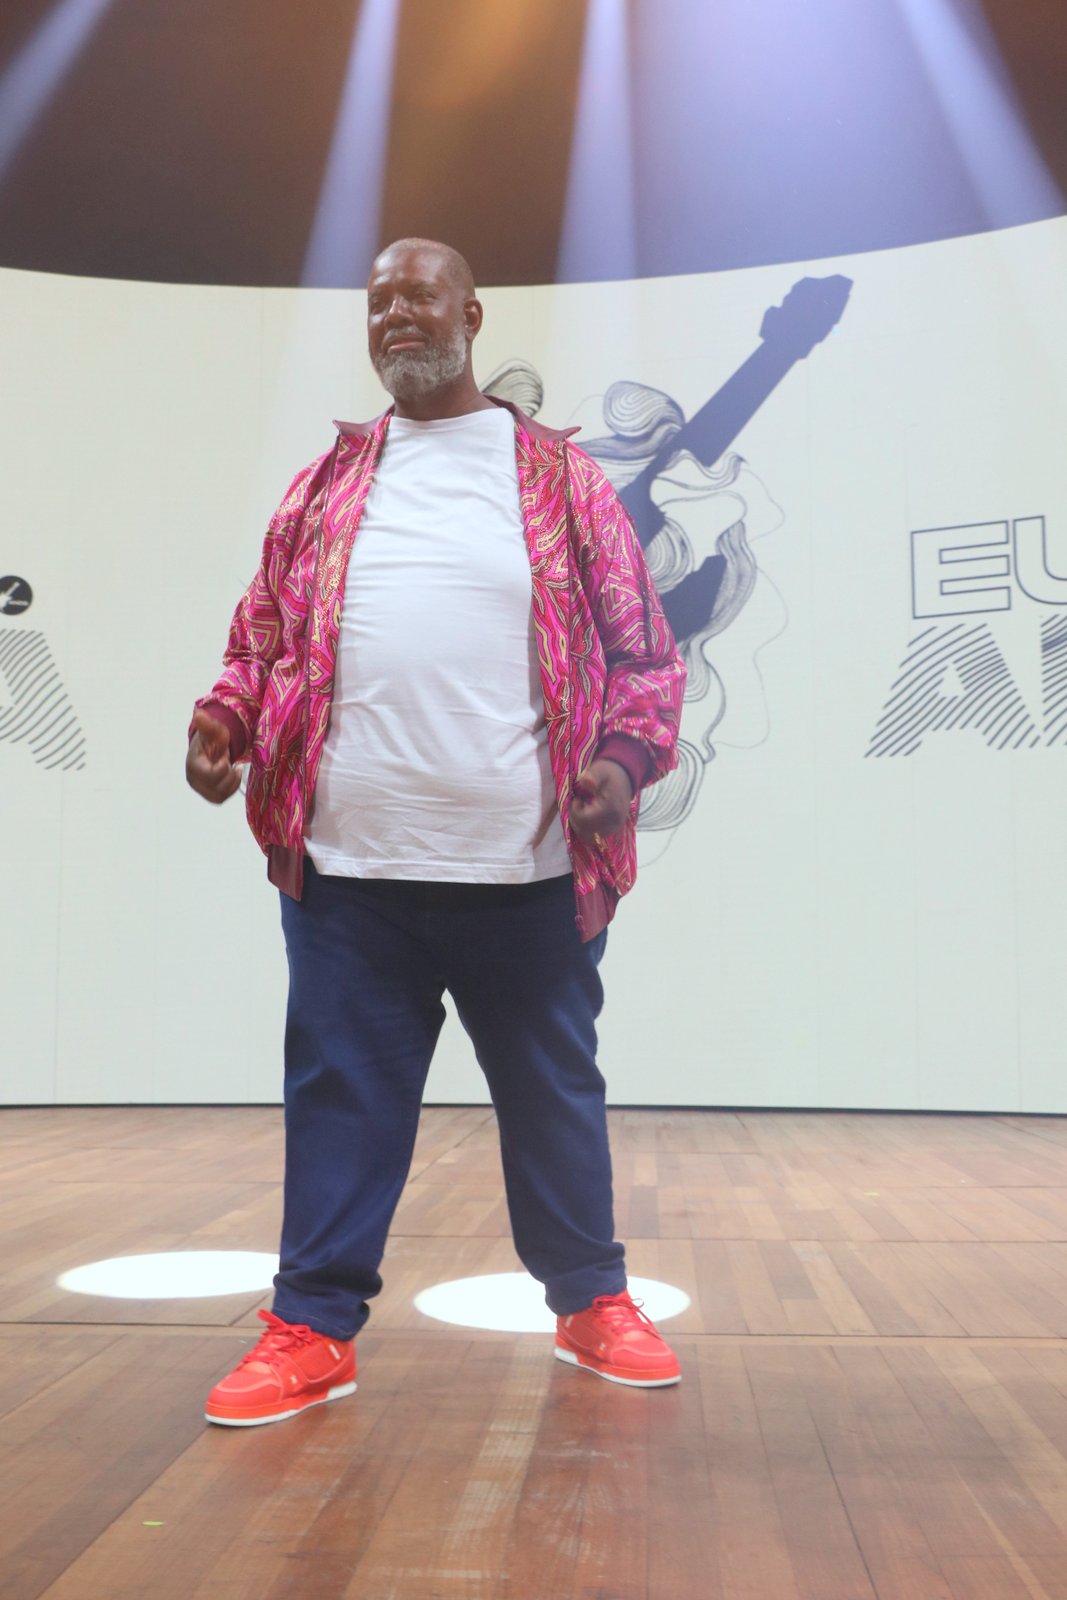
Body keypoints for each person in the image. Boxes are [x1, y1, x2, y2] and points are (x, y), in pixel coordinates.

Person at [187, 238, 687, 1427]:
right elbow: (259, 636)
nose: (394, 314)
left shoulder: (559, 478)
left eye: (417, 294)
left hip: (528, 870)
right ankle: (310, 1327)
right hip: (348, 873)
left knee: (551, 1094)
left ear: (470, 315)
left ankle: (589, 1299)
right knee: (339, 1101)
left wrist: (621, 762)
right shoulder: (326, 484)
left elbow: (643, 656)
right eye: (377, 301)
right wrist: (225, 719)